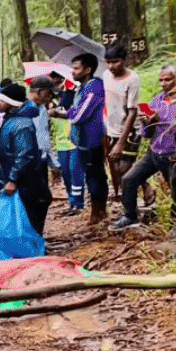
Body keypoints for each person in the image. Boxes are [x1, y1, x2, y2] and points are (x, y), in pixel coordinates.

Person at [112, 63, 176, 229]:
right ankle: (130, 216)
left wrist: (159, 119)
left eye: (167, 79)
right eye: (160, 80)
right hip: (154, 151)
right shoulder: (157, 100)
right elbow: (147, 134)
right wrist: (146, 122)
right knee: (129, 179)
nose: (163, 84)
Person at [0, 83, 53, 235]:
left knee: (30, 213)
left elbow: (24, 155)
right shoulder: (12, 118)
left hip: (26, 179)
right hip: (19, 177)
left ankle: (34, 246)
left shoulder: (22, 124)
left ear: (11, 103)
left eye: (2, 100)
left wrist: (13, 179)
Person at [102, 44, 148, 205]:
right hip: (111, 127)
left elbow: (132, 111)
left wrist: (121, 142)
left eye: (115, 62)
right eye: (108, 62)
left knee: (124, 169)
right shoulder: (106, 75)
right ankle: (139, 191)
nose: (111, 66)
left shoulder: (132, 79)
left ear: (124, 60)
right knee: (116, 169)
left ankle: (135, 198)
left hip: (130, 130)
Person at [68, 52, 110, 223]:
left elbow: (79, 115)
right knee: (90, 174)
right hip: (82, 140)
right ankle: (98, 210)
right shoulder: (81, 88)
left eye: (76, 68)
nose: (73, 71)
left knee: (96, 175)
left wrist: (67, 113)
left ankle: (99, 211)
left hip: (93, 139)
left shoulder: (95, 87)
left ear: (88, 69)